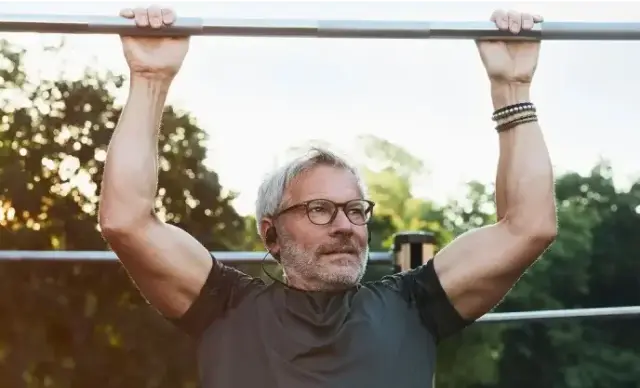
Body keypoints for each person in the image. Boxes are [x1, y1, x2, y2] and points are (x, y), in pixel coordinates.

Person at [98, 6, 557, 388]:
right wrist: (150, 78)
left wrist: (512, 89)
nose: (345, 226)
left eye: (356, 210)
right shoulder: (226, 307)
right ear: (271, 234)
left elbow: (528, 225)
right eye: (319, 209)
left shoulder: (412, 306)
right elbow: (127, 220)